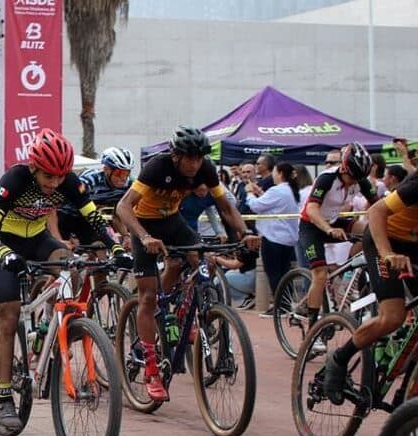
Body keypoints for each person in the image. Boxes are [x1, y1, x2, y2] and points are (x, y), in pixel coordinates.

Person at [0, 128, 128, 428]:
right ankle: (4, 394)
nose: (54, 183)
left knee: (73, 267)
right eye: (48, 177)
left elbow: (95, 219)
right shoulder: (15, 179)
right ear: (34, 167)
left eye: (60, 177)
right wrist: (4, 253)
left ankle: (48, 326)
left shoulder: (69, 181)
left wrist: (118, 248)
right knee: (9, 315)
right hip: (6, 242)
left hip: (40, 239)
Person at [116, 126, 258, 402]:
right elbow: (124, 206)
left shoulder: (205, 169)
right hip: (144, 225)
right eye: (189, 158)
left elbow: (227, 207)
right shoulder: (157, 167)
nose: (195, 164)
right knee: (147, 297)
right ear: (176, 155)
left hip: (172, 222)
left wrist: (246, 233)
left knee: (204, 262)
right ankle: (152, 369)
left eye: (199, 157)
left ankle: (186, 312)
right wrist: (144, 237)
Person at [322, 171, 418, 404]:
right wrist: (387, 254)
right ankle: (339, 359)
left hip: (414, 245)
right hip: (384, 239)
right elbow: (376, 211)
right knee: (393, 317)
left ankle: (406, 396)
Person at [297, 142, 377, 329]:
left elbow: (378, 205)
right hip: (312, 226)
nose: (354, 182)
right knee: (320, 274)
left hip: (334, 221)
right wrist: (328, 229)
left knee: (370, 232)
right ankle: (313, 328)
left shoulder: (360, 180)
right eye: (351, 177)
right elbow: (312, 208)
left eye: (359, 179)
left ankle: (350, 275)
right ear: (343, 168)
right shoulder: (326, 178)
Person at [247, 161, 300, 314]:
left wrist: (250, 193)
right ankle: (285, 303)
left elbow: (256, 206)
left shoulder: (277, 190)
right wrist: (260, 193)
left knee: (274, 273)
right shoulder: (291, 190)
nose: (274, 176)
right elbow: (273, 205)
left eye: (275, 172)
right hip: (287, 238)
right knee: (284, 272)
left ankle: (281, 306)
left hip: (273, 237)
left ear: (281, 174)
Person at [56, 146, 134, 246]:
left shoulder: (128, 184)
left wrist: (126, 236)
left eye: (126, 173)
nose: (123, 178)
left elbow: (116, 215)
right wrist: (72, 236)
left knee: (102, 247)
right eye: (119, 173)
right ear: (106, 169)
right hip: (68, 215)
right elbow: (72, 200)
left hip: (93, 217)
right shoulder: (90, 179)